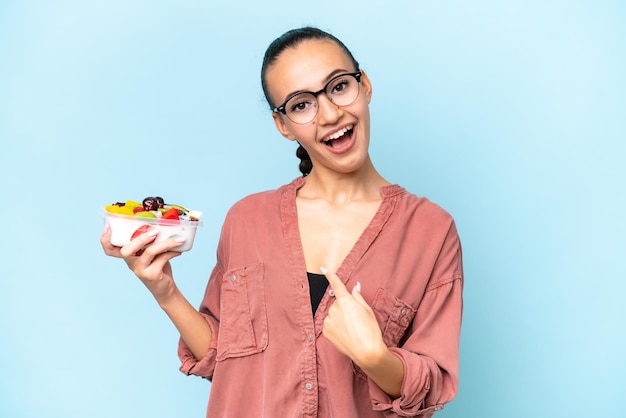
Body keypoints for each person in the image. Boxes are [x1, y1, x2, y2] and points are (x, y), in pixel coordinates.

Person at [101, 26, 463, 418]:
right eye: (301, 104)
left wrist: (374, 357)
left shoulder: (431, 231)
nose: (330, 113)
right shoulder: (247, 220)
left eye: (339, 87)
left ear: (366, 87)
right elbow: (225, 359)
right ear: (283, 125)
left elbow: (432, 388)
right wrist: (164, 290)